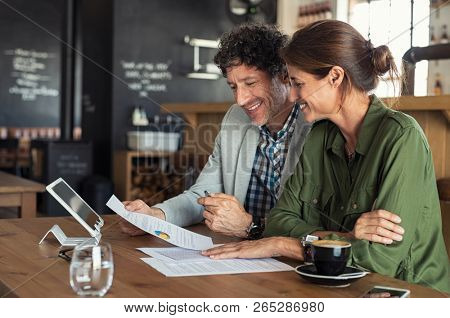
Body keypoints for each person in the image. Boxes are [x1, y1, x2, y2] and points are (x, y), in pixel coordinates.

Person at [203, 20, 450, 293]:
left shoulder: (402, 137)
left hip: (408, 294)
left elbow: (380, 258)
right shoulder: (320, 135)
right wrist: (347, 237)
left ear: (335, 77)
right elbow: (278, 221)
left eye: (298, 83)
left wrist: (284, 244)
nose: (293, 96)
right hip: (335, 286)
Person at [119, 23, 313, 239]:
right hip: (244, 256)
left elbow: (316, 223)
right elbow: (203, 195)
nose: (240, 99)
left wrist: (252, 226)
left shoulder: (315, 123)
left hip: (297, 259)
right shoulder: (236, 118)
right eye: (233, 87)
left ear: (283, 76)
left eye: (250, 83)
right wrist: (155, 215)